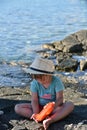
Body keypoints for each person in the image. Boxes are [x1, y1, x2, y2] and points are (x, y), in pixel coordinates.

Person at [14, 57, 74, 130]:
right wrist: (36, 113)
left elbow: (60, 98)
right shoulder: (35, 83)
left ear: (50, 75)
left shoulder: (56, 81)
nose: (42, 81)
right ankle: (39, 118)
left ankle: (50, 120)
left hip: (54, 109)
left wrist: (53, 106)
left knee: (70, 105)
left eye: (44, 78)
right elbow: (34, 100)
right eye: (38, 79)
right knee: (17, 108)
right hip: (39, 107)